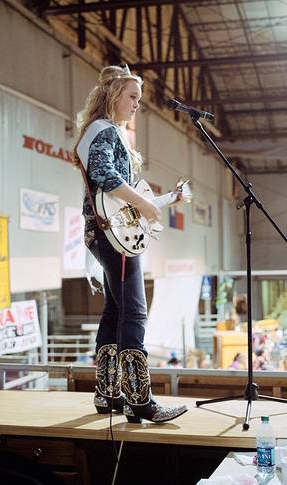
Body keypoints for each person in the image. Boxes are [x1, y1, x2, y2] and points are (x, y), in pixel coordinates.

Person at [74, 64, 186, 424]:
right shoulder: (105, 131)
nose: (137, 104)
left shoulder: (100, 131)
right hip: (113, 236)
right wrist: (146, 204)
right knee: (135, 312)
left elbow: (118, 191)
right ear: (113, 95)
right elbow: (104, 176)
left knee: (116, 311)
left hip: (104, 232)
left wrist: (163, 200)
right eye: (132, 96)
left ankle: (108, 394)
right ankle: (141, 400)